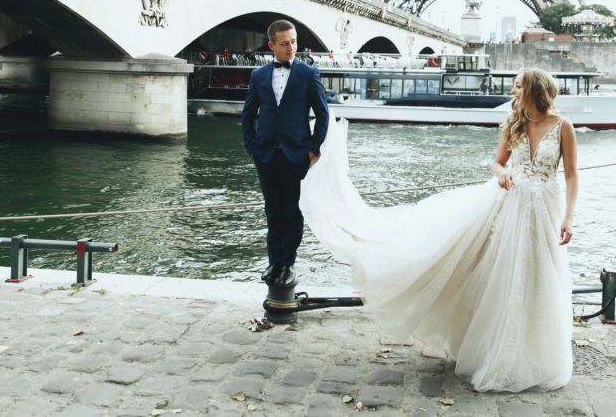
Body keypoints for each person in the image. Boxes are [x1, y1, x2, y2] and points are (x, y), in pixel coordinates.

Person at [300, 68, 578, 392]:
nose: (514, 92)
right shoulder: (513, 123)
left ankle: (535, 354)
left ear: (534, 90)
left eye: (518, 87)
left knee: (539, 280)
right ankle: (497, 349)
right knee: (500, 278)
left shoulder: (563, 127)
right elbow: (497, 162)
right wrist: (502, 173)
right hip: (510, 206)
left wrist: (568, 218)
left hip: (543, 210)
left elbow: (571, 175)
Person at [241, 20, 330, 287]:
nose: (291, 47)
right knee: (272, 211)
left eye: (293, 42)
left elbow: (323, 114)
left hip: (297, 155)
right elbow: (248, 114)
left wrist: (313, 150)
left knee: (293, 212)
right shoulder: (258, 76)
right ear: (272, 46)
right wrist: (251, 146)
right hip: (266, 154)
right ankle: (273, 262)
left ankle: (288, 264)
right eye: (284, 43)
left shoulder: (308, 74)